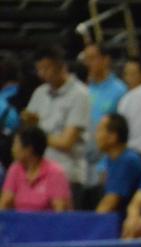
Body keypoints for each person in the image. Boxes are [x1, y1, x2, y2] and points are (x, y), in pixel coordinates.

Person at [23, 44, 90, 207]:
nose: (42, 74)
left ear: (60, 66)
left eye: (46, 68)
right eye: (39, 69)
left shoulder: (80, 94)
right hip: (38, 174)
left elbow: (66, 142)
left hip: (67, 174)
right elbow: (26, 133)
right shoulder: (40, 93)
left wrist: (37, 135)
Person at [81, 43, 128, 209]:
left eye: (92, 58)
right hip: (83, 164)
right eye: (86, 59)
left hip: (105, 164)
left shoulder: (119, 90)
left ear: (105, 60)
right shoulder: (83, 89)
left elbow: (122, 132)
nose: (88, 63)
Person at [0, 125, 71, 211]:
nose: (12, 149)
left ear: (29, 149)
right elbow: (4, 203)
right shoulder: (15, 169)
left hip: (47, 220)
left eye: (15, 144)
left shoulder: (55, 172)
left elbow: (60, 211)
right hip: (20, 219)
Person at [94, 112, 141, 219]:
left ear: (112, 137)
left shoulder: (128, 161)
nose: (96, 136)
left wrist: (91, 224)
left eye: (99, 130)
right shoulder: (110, 159)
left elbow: (109, 203)